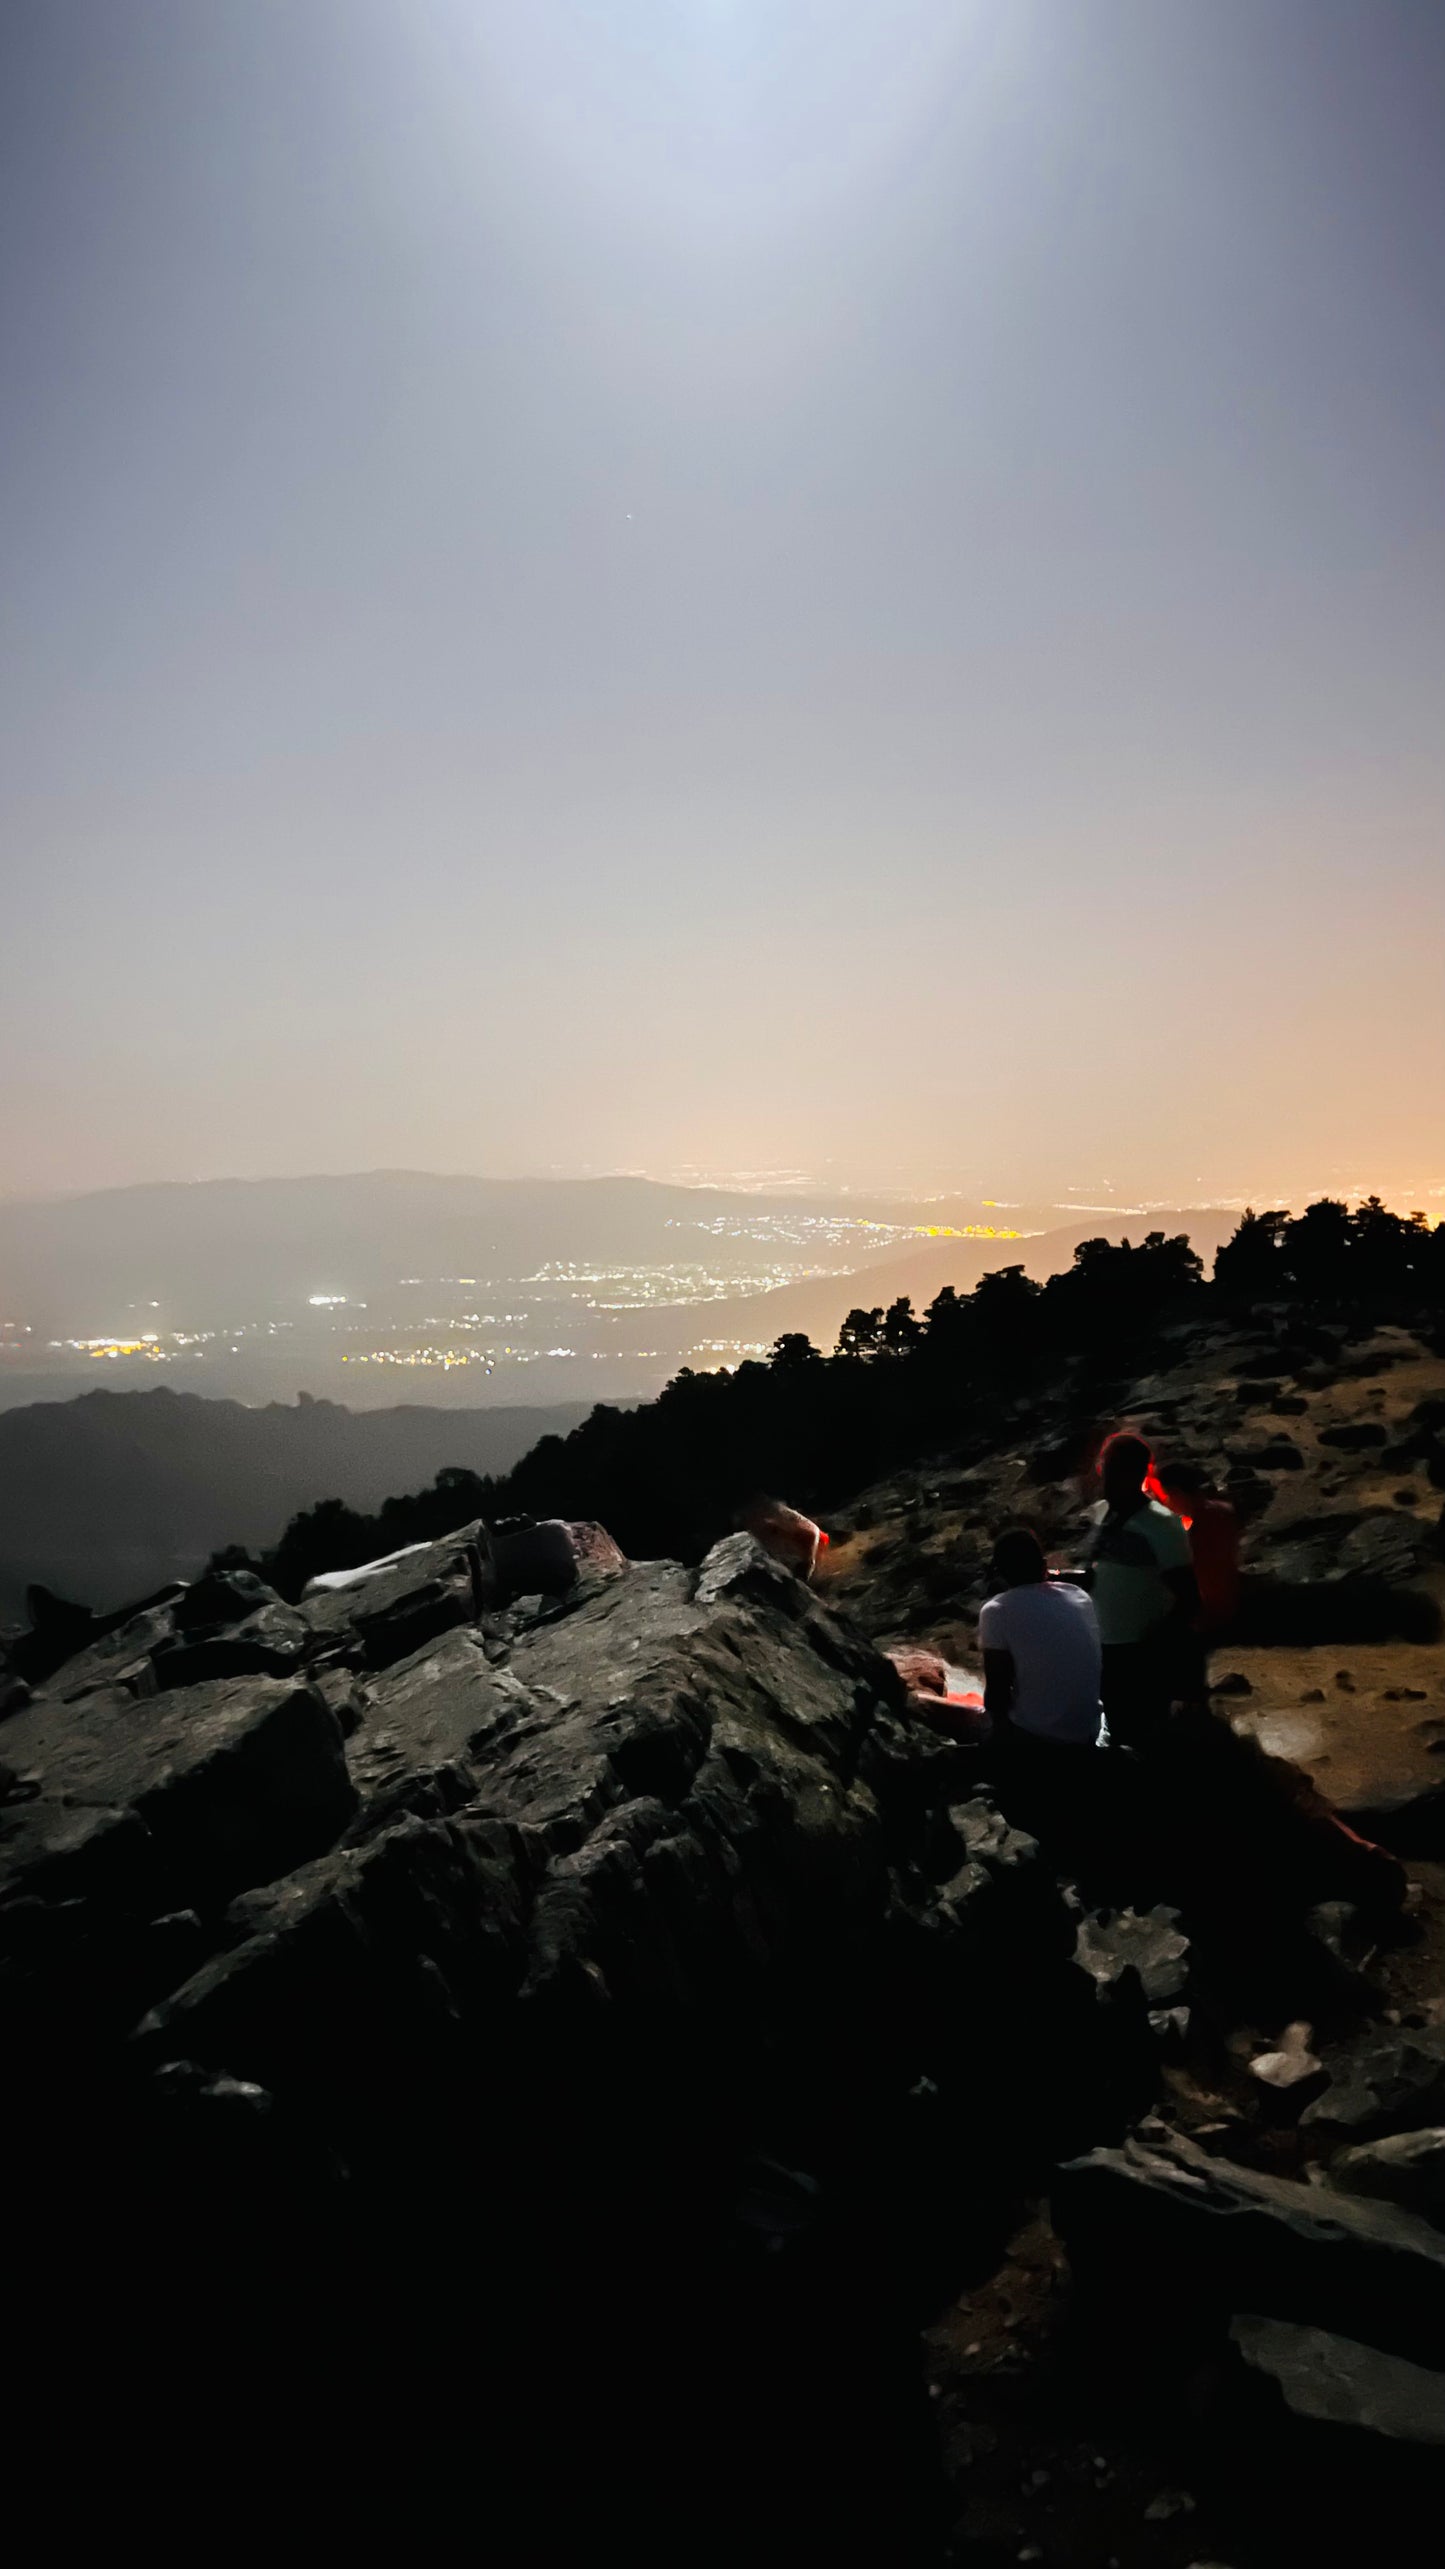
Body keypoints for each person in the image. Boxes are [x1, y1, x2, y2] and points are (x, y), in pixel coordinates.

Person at [979, 1528, 1109, 1862]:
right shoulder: (1079, 1597)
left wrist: (996, 1733)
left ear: (1001, 1573)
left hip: (1043, 1738)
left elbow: (996, 1692)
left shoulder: (996, 1611)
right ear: (1044, 1564)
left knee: (954, 1714)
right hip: (1092, 1728)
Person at [1084, 1431, 1199, 1747]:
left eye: (1114, 1471)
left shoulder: (1163, 1524)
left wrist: (1158, 1642)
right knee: (1118, 1729)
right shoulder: (1105, 1515)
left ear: (1136, 1474)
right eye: (1106, 1469)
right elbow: (1100, 1575)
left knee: (1145, 1735)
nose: (1106, 1479)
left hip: (1141, 1650)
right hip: (1106, 1646)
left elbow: (1189, 1597)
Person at [1149, 1460, 1241, 1638]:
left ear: (1177, 1493)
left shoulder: (1199, 1528)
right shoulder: (1224, 1511)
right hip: (1230, 1601)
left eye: (1167, 1495)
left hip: (1207, 1613)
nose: (1165, 1501)